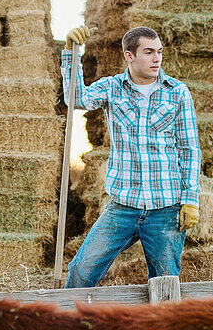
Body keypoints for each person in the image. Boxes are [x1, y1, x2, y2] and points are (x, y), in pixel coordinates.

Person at [61, 25, 201, 286]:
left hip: (165, 208)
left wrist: (190, 199)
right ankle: (69, 324)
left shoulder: (178, 92)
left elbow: (189, 149)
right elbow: (76, 99)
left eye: (159, 52)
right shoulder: (112, 88)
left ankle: (161, 328)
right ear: (129, 56)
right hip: (123, 206)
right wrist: (71, 53)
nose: (156, 58)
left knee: (165, 285)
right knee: (81, 270)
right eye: (148, 52)